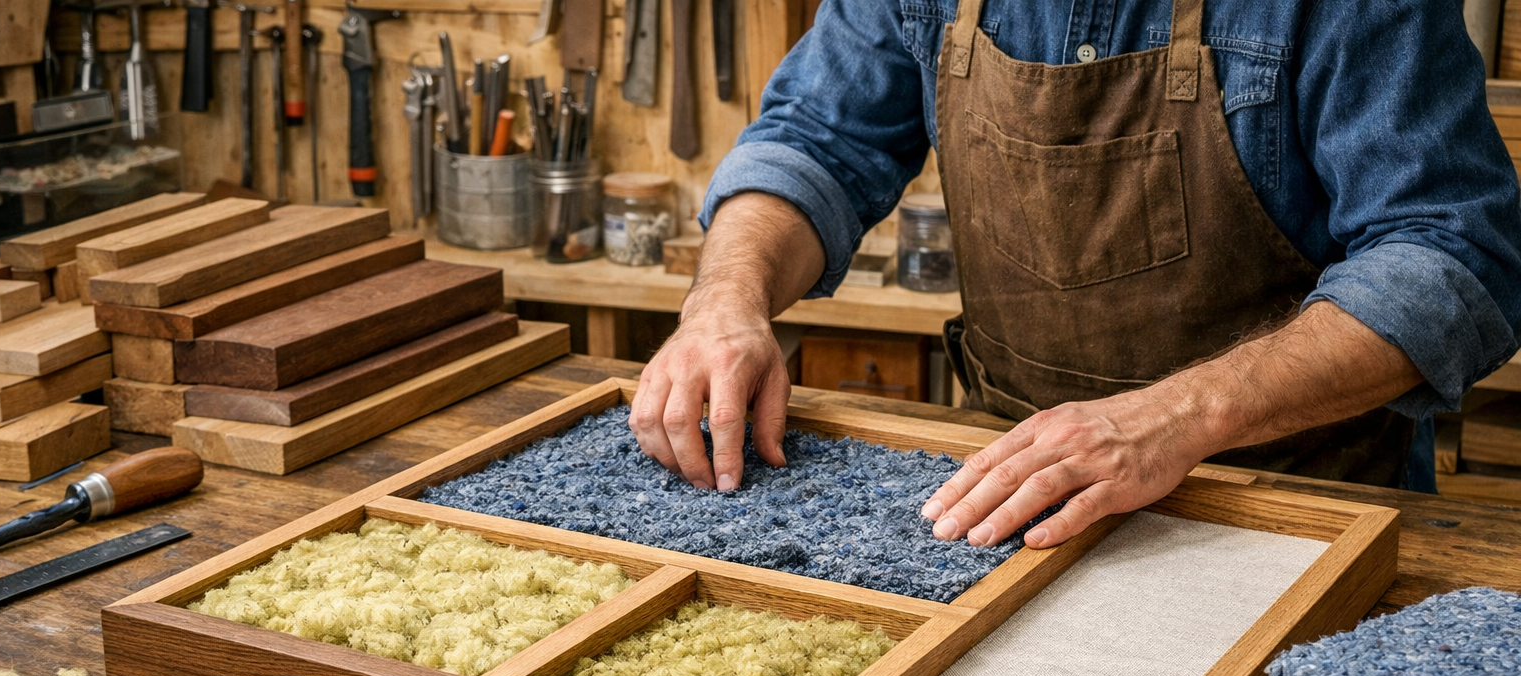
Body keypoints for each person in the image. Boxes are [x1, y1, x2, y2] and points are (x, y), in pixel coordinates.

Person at [628, 0, 1521, 549]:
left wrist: (1176, 417)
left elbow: (1449, 253)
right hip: (1013, 494)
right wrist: (725, 301)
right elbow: (817, 141)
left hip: (1291, 498)